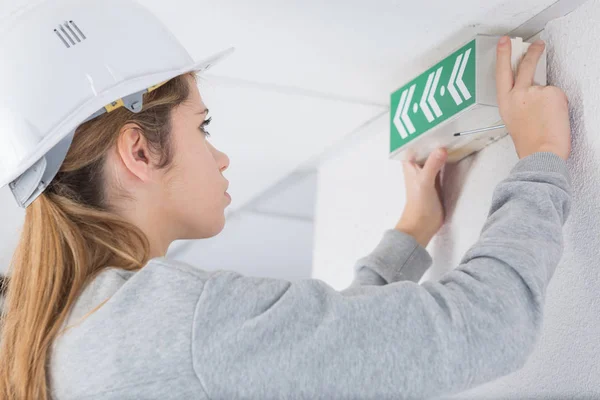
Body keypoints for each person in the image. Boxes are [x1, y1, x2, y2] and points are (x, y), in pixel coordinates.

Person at [0, 1, 572, 399]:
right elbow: (487, 327)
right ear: (139, 153)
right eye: (202, 125)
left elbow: (305, 359)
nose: (219, 156)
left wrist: (409, 238)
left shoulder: (57, 339)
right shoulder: (171, 324)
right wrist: (542, 158)